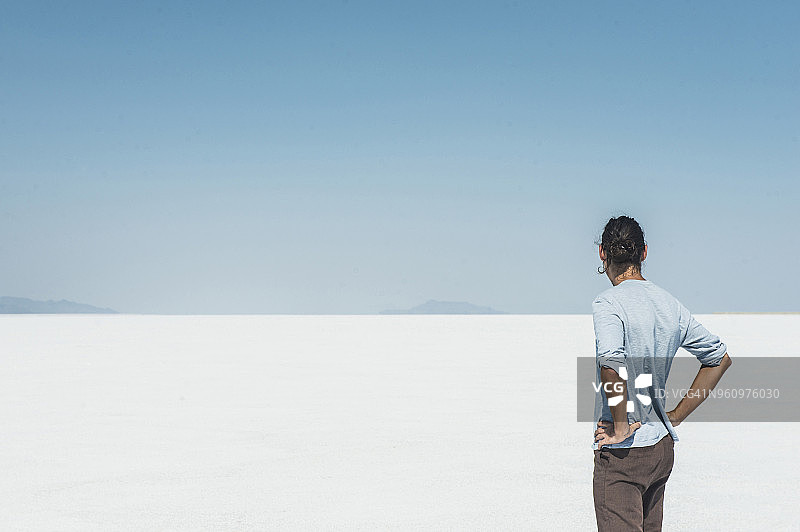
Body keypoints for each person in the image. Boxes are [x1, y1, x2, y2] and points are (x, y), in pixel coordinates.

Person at [591, 215, 732, 532]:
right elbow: (719, 359)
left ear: (602, 252)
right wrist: (676, 415)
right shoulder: (670, 305)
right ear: (643, 254)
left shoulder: (608, 303)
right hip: (660, 449)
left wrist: (620, 426)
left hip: (624, 456)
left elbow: (611, 363)